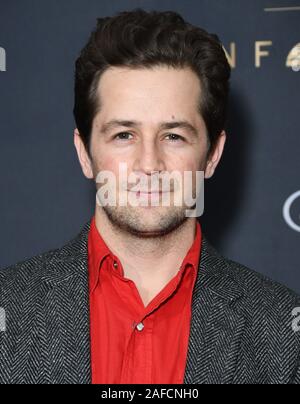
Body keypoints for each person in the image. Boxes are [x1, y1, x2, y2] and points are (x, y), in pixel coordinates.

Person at [0, 8, 299, 384]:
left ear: (212, 155)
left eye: (173, 136)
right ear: (84, 153)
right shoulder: (8, 310)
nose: (149, 163)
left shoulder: (285, 333)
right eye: (124, 135)